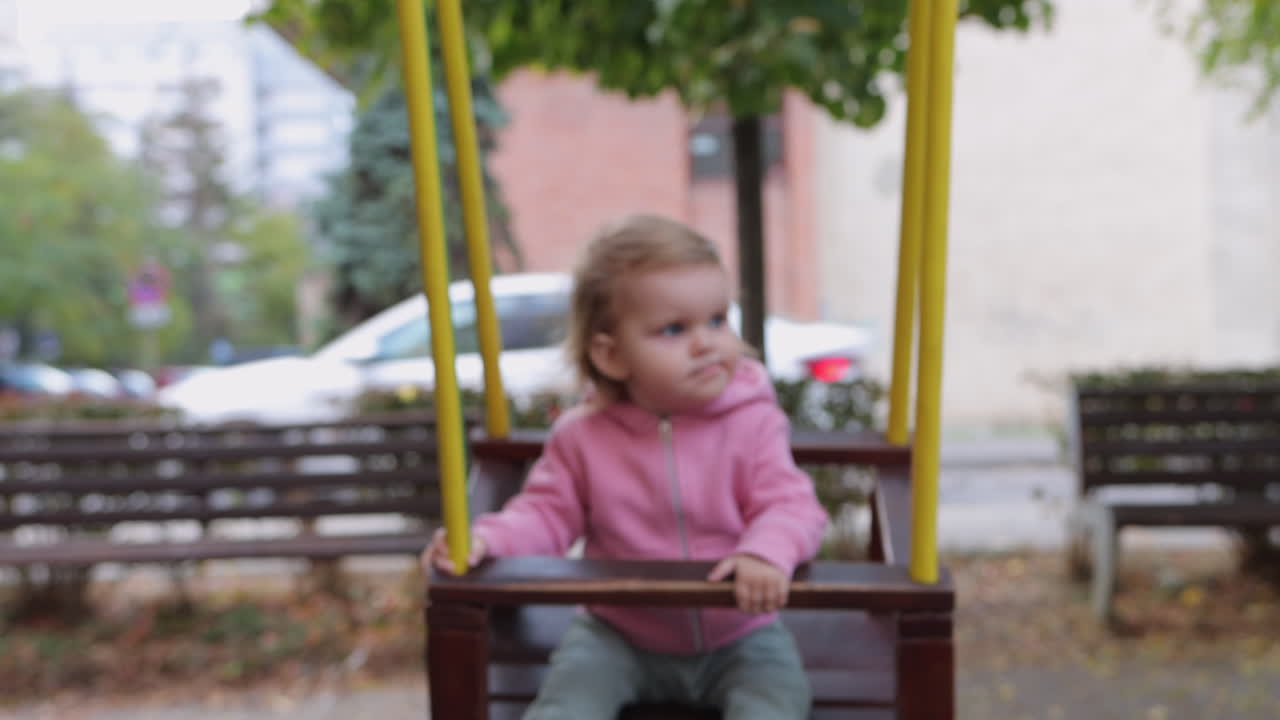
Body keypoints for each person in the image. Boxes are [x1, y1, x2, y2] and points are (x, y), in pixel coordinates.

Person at [423, 214, 829, 719]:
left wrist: (767, 553)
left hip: (739, 634)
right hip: (617, 632)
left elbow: (791, 504)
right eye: (674, 329)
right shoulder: (583, 435)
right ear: (612, 356)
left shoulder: (752, 423)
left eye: (718, 320)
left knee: (775, 706)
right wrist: (488, 539)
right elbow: (546, 514)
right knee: (564, 708)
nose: (706, 342)